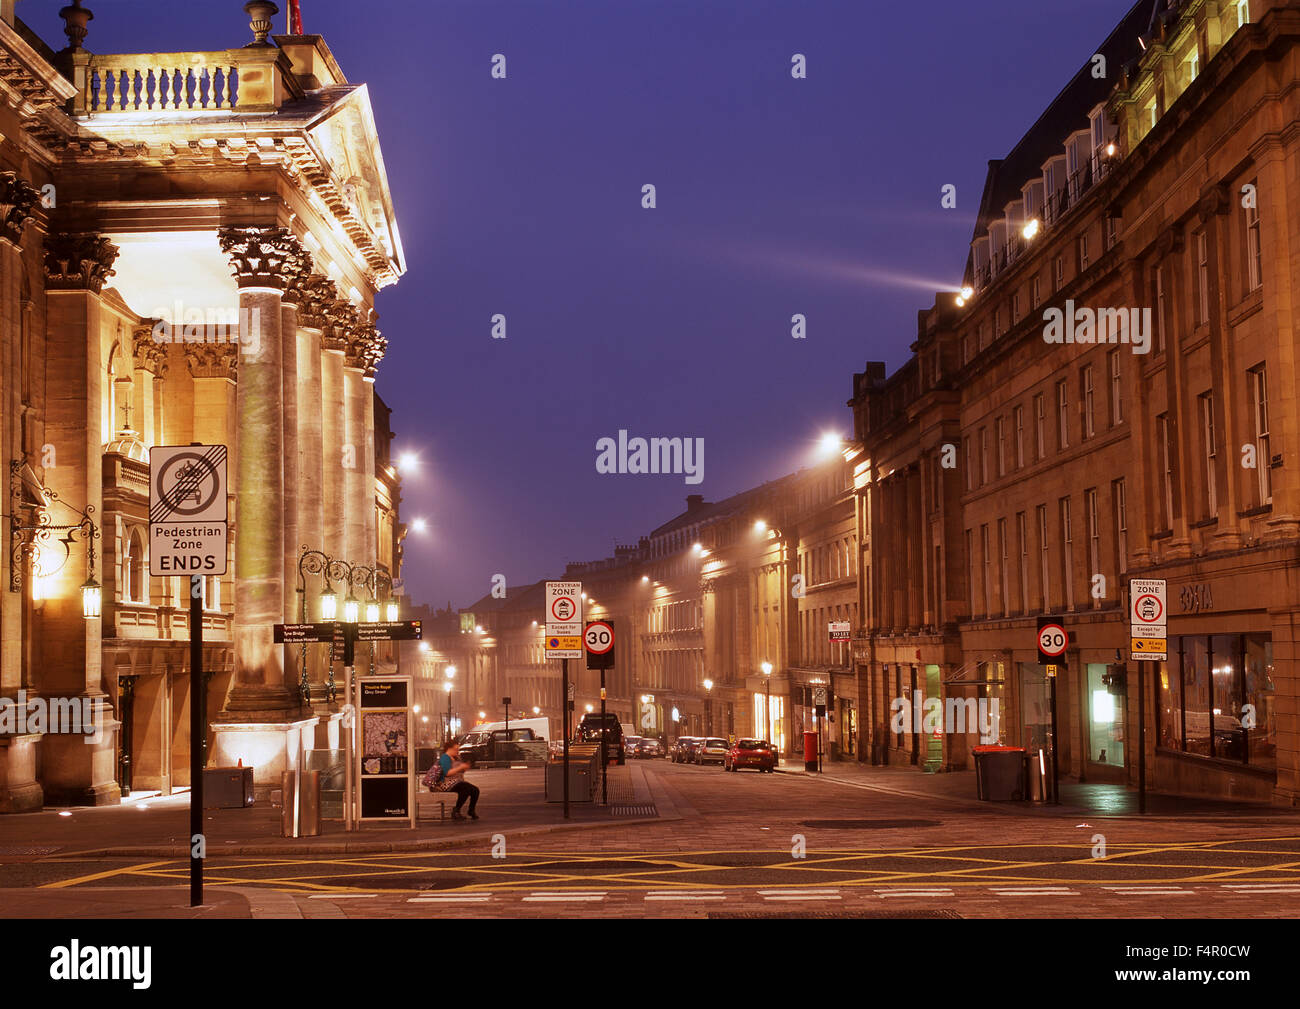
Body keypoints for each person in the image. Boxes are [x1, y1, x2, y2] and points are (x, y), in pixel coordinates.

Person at [438, 740, 479, 820]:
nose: (457, 751)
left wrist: (464, 767)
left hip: (457, 781)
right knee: (466, 789)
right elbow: (447, 773)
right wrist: (460, 767)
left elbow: (459, 771)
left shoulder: (456, 758)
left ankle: (471, 810)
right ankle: (456, 810)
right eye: (455, 749)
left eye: (458, 749)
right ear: (449, 749)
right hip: (446, 783)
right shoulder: (445, 758)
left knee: (475, 790)